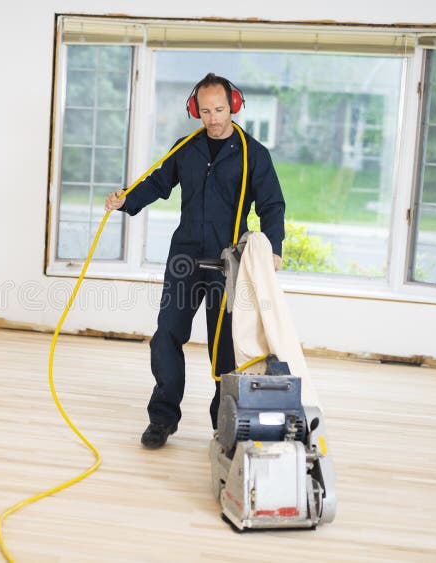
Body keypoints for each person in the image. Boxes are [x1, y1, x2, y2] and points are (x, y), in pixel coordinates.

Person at [104, 73, 285, 449]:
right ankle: (162, 419)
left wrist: (275, 248)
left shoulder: (254, 154)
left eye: (219, 110)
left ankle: (224, 424)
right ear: (195, 110)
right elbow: (158, 183)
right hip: (185, 257)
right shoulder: (186, 147)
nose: (213, 118)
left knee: (226, 347)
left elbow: (272, 205)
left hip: (228, 261)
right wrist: (126, 199)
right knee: (166, 335)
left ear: (233, 106)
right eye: (205, 111)